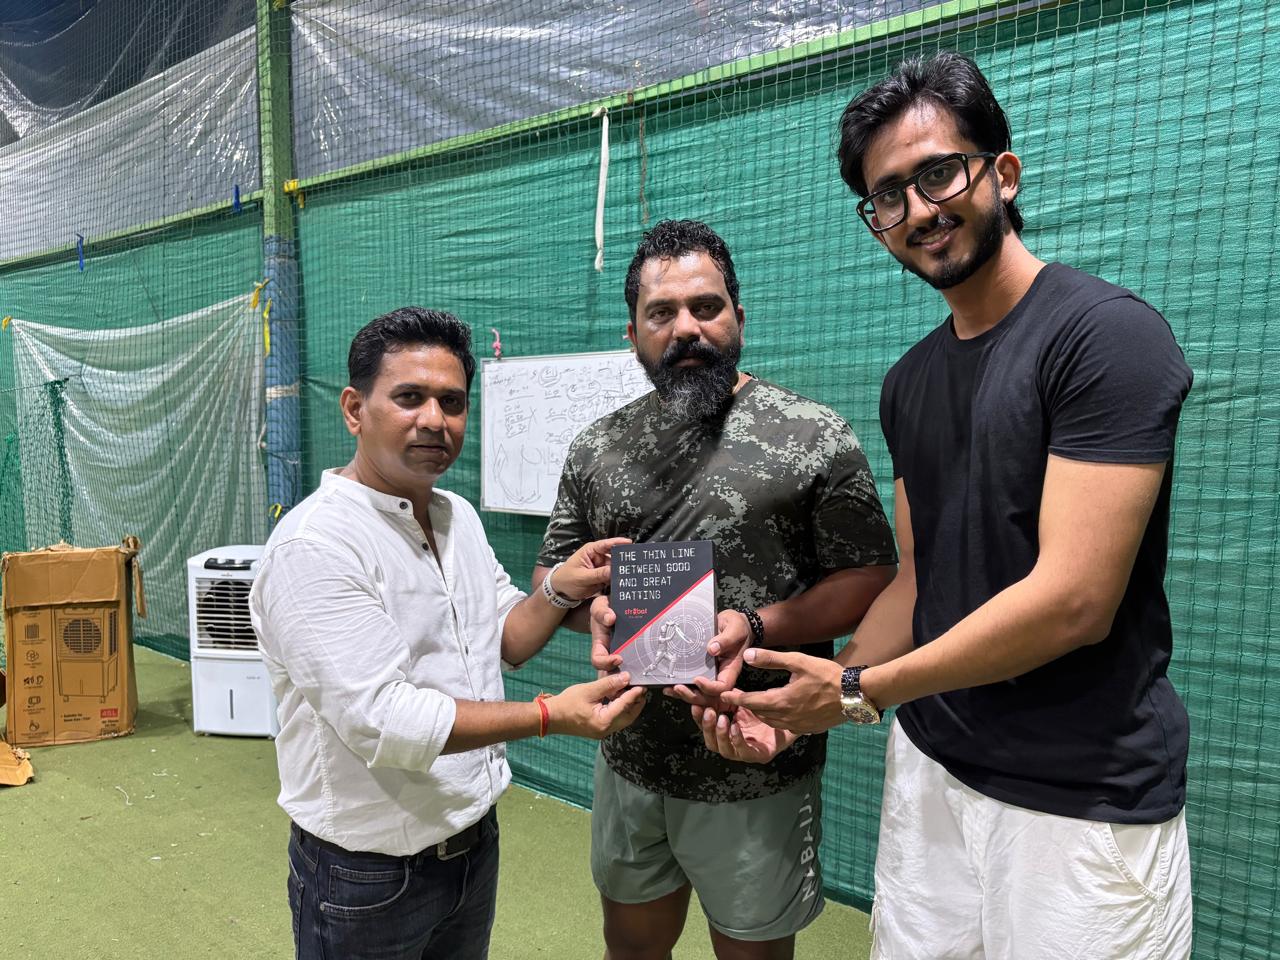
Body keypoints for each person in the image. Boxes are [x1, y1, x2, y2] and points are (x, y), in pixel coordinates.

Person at [696, 53, 1195, 959]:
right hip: (930, 768)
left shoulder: (1106, 337)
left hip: (1078, 801)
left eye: (938, 174)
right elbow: (917, 580)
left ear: (1002, 172)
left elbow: (1076, 601)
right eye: (888, 196)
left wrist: (858, 691)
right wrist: (809, 700)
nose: (918, 210)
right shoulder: (910, 381)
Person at [534, 219, 897, 960]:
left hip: (758, 756)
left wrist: (758, 626)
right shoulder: (596, 448)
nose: (686, 328)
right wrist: (591, 611)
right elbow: (552, 578)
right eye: (661, 313)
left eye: (706, 307)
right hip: (630, 753)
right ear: (633, 333)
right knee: (631, 949)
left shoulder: (812, 435)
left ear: (739, 317)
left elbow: (870, 578)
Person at [249, 306, 646, 960]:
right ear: (354, 409)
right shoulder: (315, 546)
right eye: (410, 397)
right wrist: (551, 715)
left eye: (452, 402)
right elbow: (383, 718)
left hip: (472, 844)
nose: (435, 419)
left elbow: (506, 637)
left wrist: (560, 587)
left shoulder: (455, 515)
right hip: (366, 873)